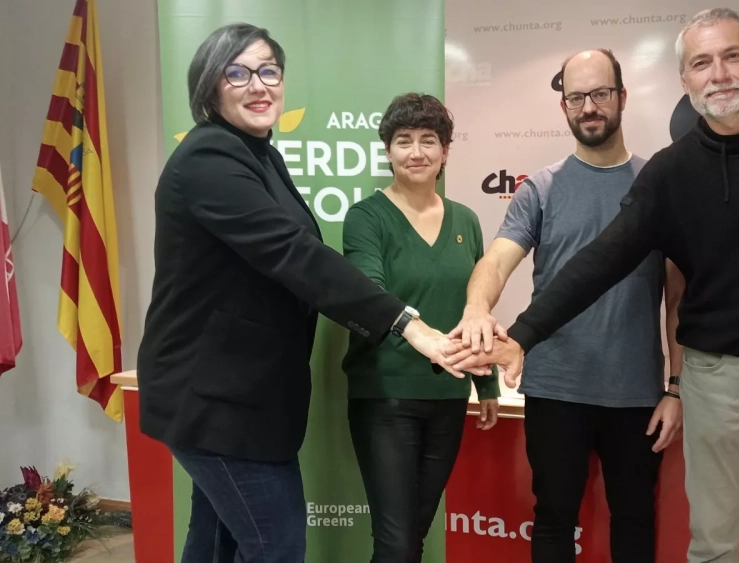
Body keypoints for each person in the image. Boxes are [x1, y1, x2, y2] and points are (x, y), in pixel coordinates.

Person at [447, 8, 739, 563]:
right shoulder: (666, 172)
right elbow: (599, 261)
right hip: (708, 375)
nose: (719, 74)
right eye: (702, 63)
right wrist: (517, 333)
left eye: (732, 57)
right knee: (708, 542)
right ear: (684, 79)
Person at [136, 24, 482, 563]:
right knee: (276, 545)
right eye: (238, 72)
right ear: (209, 85)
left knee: (215, 543)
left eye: (269, 71)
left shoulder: (259, 154)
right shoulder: (209, 157)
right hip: (215, 401)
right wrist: (406, 323)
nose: (259, 85)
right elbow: (294, 254)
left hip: (244, 398)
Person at [448, 49, 683, 563]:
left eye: (600, 94)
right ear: (564, 107)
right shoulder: (540, 188)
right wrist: (476, 308)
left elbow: (676, 300)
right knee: (553, 519)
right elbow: (496, 262)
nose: (589, 107)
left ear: (622, 97)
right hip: (555, 389)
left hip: (635, 394)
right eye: (576, 97)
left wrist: (675, 387)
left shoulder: (658, 187)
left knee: (635, 520)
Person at [340, 92, 502, 562]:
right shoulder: (366, 218)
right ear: (388, 151)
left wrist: (486, 382)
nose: (416, 152)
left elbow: (475, 307)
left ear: (445, 151)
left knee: (415, 535)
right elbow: (368, 294)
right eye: (404, 140)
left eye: (428, 140)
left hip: (448, 396)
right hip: (386, 398)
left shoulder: (466, 220)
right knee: (395, 543)